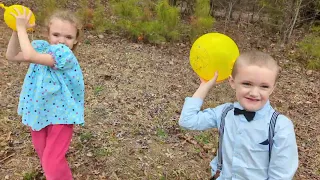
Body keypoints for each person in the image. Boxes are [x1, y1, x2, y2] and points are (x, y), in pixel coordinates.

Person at [179, 51, 298, 179]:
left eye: (264, 86)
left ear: (272, 88)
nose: (254, 93)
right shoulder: (224, 112)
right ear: (232, 82)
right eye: (247, 84)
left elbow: (281, 175)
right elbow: (187, 120)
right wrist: (204, 86)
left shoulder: (280, 126)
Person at [5, 8, 84, 180]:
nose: (61, 41)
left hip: (61, 116)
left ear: (76, 39)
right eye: (56, 34)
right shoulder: (42, 47)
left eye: (68, 37)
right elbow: (11, 56)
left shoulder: (65, 55)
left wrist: (21, 28)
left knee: (51, 161)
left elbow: (29, 54)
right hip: (39, 111)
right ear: (47, 34)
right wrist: (15, 29)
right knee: (44, 155)